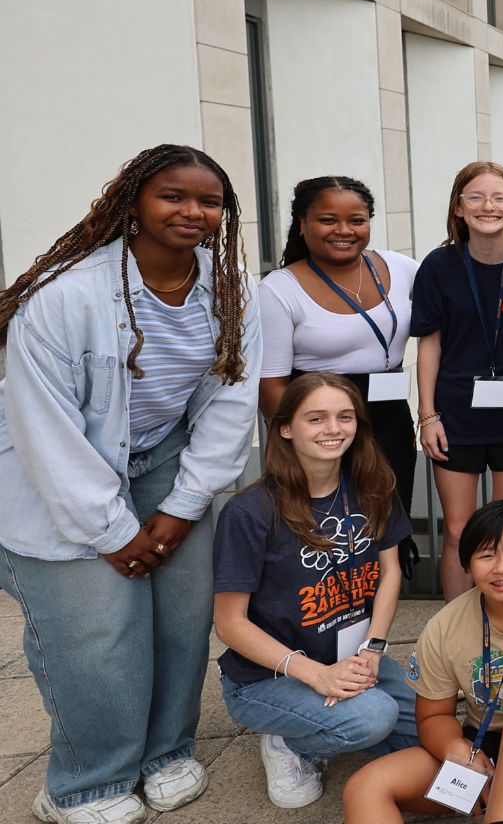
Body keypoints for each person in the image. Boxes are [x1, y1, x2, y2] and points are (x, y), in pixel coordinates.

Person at [0, 145, 260, 824]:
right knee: (97, 627)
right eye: (173, 196)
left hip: (167, 459)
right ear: (134, 201)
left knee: (181, 614)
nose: (193, 212)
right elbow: (46, 432)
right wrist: (111, 531)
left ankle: (164, 755)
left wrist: (182, 506)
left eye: (209, 201)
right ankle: (83, 785)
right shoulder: (66, 296)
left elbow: (230, 403)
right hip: (52, 472)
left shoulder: (232, 288)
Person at [213, 373, 416, 809]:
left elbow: (391, 572)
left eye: (345, 416)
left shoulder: (375, 488)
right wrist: (317, 675)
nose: (333, 429)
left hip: (348, 655)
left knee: (425, 728)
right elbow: (229, 624)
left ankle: (328, 719)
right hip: (268, 676)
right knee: (374, 718)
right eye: (316, 418)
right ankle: (291, 743)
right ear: (285, 427)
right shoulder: (250, 511)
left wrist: (373, 649)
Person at [343, 501, 503, 824]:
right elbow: (433, 716)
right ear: (467, 564)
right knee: (365, 786)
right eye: (486, 555)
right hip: (481, 743)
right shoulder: (444, 627)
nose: (501, 567)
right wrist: (459, 751)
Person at [259, 176, 421, 574]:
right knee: (326, 530)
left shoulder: (400, 267)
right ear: (302, 223)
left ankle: (378, 624)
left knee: (386, 529)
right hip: (319, 423)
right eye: (328, 220)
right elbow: (271, 384)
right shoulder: (280, 288)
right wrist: (300, 442)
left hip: (388, 415)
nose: (345, 231)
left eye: (357, 220)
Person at [412, 162, 503, 598]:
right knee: (457, 530)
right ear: (458, 207)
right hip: (454, 416)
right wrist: (427, 415)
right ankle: (457, 628)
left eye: (498, 198)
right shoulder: (438, 266)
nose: (487, 206)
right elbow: (428, 344)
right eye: (476, 197)